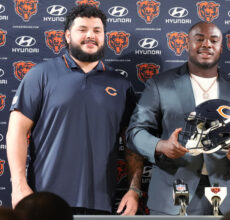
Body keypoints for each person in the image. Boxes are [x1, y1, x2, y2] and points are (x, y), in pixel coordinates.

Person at [6, 5, 143, 215]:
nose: (90, 35)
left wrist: (134, 189)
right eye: (82, 29)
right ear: (68, 35)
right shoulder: (40, 75)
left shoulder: (121, 85)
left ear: (104, 36)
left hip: (100, 202)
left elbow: (132, 143)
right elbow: (16, 131)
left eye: (97, 31)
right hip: (45, 200)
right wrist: (18, 185)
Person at [127, 21, 230, 215]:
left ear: (221, 48)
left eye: (213, 40)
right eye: (199, 39)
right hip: (170, 196)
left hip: (224, 199)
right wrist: (161, 146)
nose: (206, 44)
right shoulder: (160, 85)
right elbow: (135, 132)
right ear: (187, 44)